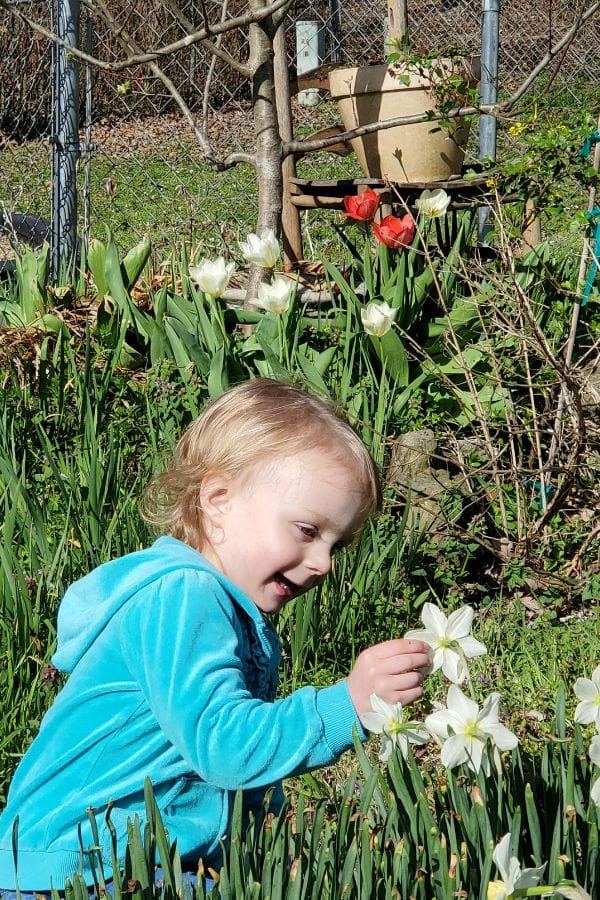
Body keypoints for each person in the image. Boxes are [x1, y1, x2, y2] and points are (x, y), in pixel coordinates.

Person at [0, 378, 430, 896]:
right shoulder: (183, 598)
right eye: (308, 531)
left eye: (338, 543)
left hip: (119, 861)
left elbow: (209, 766)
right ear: (219, 500)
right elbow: (224, 747)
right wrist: (348, 704)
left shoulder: (220, 609)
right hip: (83, 867)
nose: (323, 564)